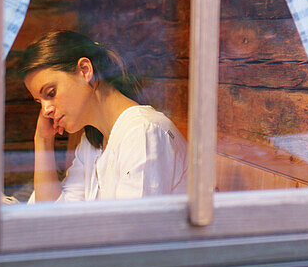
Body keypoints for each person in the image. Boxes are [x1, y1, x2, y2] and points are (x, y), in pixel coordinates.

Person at [19, 30, 187, 202]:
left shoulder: (143, 133)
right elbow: (53, 216)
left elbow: (130, 227)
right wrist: (42, 140)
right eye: (39, 102)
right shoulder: (92, 143)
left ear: (85, 70)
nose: (45, 110)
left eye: (51, 92)